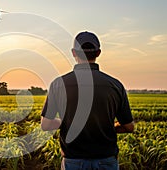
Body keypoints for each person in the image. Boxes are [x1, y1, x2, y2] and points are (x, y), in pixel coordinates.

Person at [40, 31, 134, 170]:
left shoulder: (59, 84)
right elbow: (129, 127)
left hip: (73, 161)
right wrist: (108, 126)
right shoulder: (115, 85)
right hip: (106, 161)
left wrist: (66, 122)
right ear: (98, 53)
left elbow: (46, 124)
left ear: (73, 53)